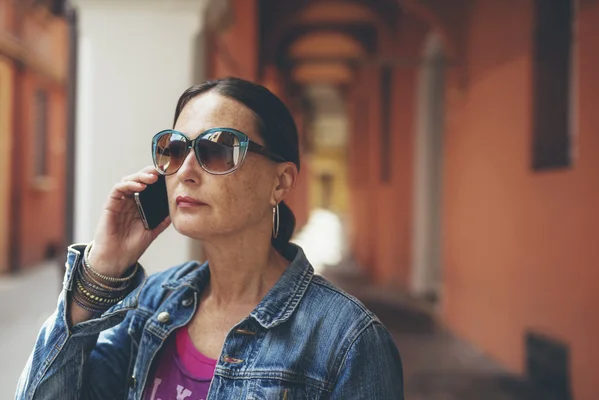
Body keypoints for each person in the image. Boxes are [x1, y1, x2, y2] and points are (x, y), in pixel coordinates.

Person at [16, 77, 404, 399]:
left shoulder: (347, 340)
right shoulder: (155, 303)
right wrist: (100, 272)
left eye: (217, 149)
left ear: (280, 182)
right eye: (175, 148)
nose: (185, 171)